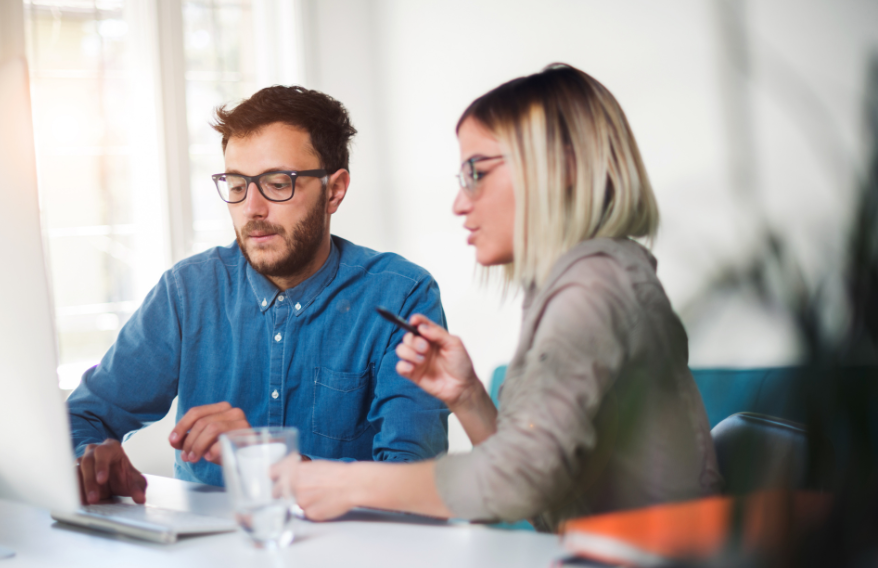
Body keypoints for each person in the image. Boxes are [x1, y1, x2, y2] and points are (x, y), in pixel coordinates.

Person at [291, 64, 723, 530]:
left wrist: (347, 484)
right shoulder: (582, 280)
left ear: (564, 166)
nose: (460, 203)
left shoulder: (592, 289)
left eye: (477, 172)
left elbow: (519, 481)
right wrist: (469, 396)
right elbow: (544, 488)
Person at [69, 86, 449, 505]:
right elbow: (83, 416)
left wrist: (269, 459)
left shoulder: (401, 296)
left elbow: (418, 485)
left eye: (277, 183)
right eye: (236, 184)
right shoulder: (188, 292)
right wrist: (92, 460)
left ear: (335, 191)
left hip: (347, 560)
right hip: (207, 559)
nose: (252, 208)